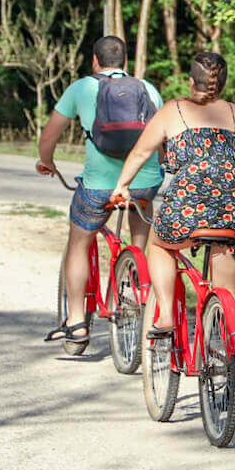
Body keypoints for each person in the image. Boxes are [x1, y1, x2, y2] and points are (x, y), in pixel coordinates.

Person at [110, 51, 235, 334]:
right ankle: (232, 356)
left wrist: (122, 186)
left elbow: (141, 151)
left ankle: (165, 313)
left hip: (187, 206)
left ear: (192, 82)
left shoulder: (172, 110)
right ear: (223, 84)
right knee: (231, 290)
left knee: (158, 245)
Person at [37, 35, 164, 345]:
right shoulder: (148, 89)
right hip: (143, 183)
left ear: (94, 61)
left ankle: (77, 322)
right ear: (125, 63)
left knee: (79, 242)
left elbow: (49, 136)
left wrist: (47, 161)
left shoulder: (81, 88)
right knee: (141, 224)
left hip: (98, 187)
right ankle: (136, 275)